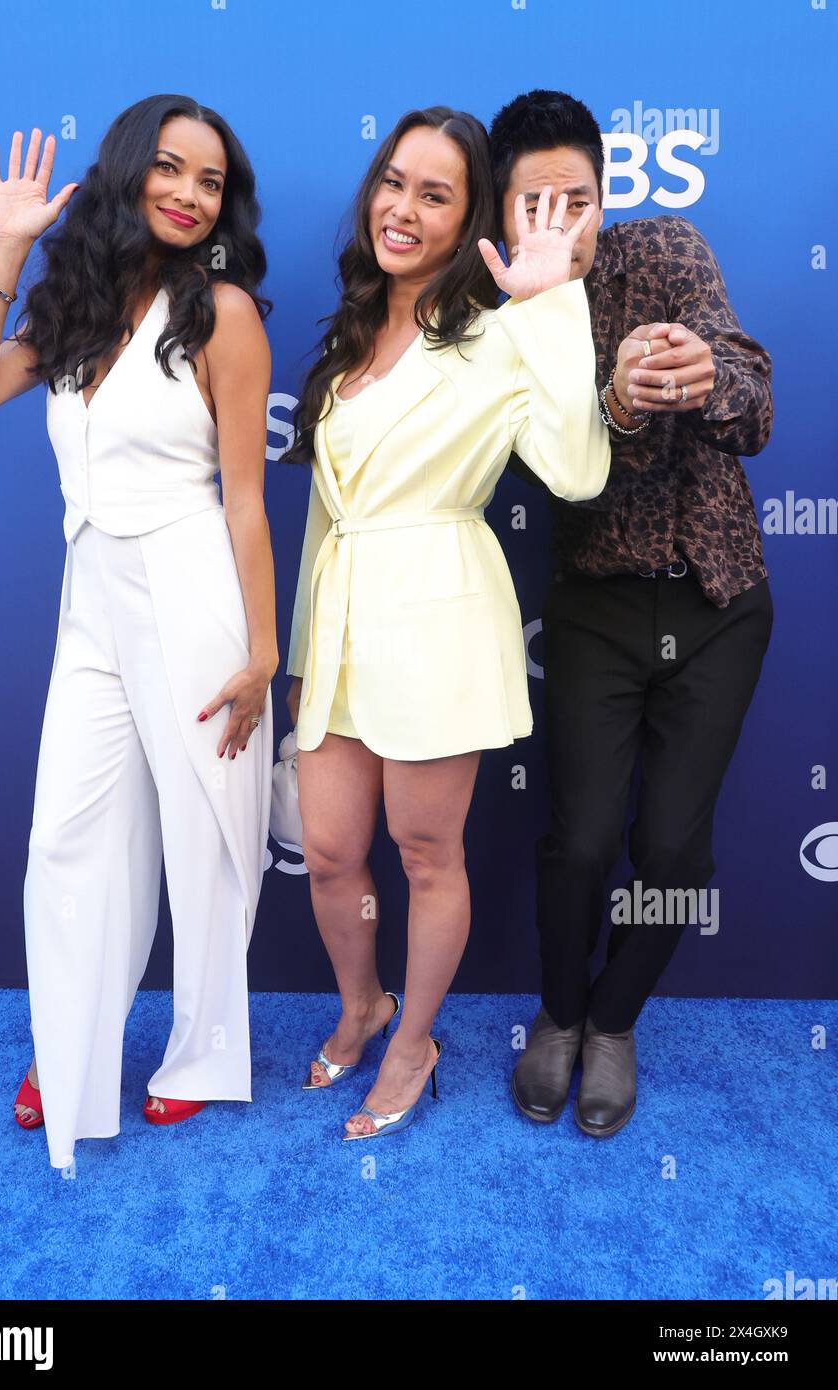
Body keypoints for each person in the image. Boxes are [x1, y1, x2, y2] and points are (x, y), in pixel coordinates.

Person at [0, 97, 277, 1169]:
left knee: (206, 838)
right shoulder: (78, 305)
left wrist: (263, 652)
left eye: (209, 181)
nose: (187, 193)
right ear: (129, 173)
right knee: (69, 836)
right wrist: (7, 249)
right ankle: (68, 1042)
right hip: (90, 597)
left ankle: (202, 1053)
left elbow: (243, 502)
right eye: (170, 169)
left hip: (194, 590)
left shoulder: (222, 313)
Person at [283, 106, 611, 1141]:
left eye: (436, 194)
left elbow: (579, 467)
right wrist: (298, 653)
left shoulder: (503, 333)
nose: (404, 209)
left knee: (426, 853)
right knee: (332, 850)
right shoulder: (348, 332)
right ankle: (362, 1003)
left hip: (438, 609)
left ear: (470, 219)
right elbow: (327, 510)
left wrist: (554, 305)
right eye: (394, 182)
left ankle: (415, 1038)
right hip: (337, 618)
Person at [488, 90, 774, 1137]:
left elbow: (757, 396)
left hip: (716, 594)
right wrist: (606, 400)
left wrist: (710, 381)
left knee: (674, 854)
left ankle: (614, 1020)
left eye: (579, 198)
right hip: (598, 603)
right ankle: (559, 1013)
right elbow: (559, 477)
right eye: (534, 201)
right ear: (502, 206)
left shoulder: (665, 250)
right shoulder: (495, 305)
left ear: (606, 197)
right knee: (581, 839)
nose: (559, 220)